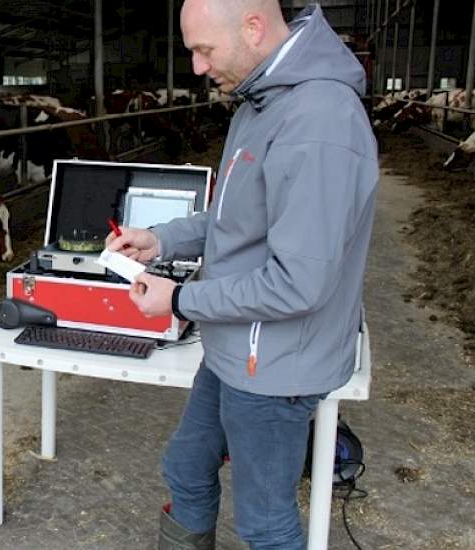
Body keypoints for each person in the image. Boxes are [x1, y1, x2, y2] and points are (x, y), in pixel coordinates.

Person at [105, 2, 378, 549]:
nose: (199, 69)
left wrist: (180, 299)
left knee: (265, 520)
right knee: (185, 467)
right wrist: (163, 238)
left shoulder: (318, 121)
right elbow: (235, 216)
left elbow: (299, 283)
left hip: (276, 365)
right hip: (238, 344)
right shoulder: (260, 101)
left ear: (253, 28)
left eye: (204, 50)